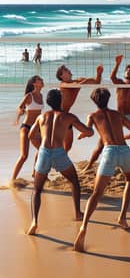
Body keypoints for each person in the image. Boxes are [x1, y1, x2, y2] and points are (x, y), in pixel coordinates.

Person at [74, 88, 130, 252]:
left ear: (94, 101)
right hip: (123, 150)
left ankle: (84, 226)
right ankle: (122, 218)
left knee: (96, 193)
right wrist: (123, 137)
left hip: (109, 152)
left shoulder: (92, 116)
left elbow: (89, 131)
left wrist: (82, 135)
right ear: (108, 99)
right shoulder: (118, 114)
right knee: (129, 180)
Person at [26, 89, 94, 235]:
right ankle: (77, 213)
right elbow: (88, 131)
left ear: (48, 102)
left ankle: (34, 222)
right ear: (61, 101)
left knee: (37, 190)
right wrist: (89, 127)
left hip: (44, 152)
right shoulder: (68, 116)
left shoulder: (41, 117)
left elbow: (31, 135)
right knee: (74, 181)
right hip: (59, 152)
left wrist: (41, 147)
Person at [82, 55, 130, 171]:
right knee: (101, 144)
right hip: (117, 116)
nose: (128, 72)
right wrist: (117, 63)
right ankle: (89, 166)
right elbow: (112, 77)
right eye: (126, 71)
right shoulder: (119, 83)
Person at [56, 64, 102, 152]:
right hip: (59, 117)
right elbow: (75, 85)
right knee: (56, 144)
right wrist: (84, 82)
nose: (68, 69)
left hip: (66, 116)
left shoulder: (77, 81)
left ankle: (59, 163)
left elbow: (96, 82)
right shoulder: (63, 84)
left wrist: (99, 73)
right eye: (66, 70)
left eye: (67, 68)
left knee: (68, 145)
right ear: (61, 76)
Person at [11, 75, 44, 184]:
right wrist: (20, 114)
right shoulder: (29, 96)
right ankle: (12, 180)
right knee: (24, 155)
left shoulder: (41, 95)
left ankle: (35, 173)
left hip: (36, 129)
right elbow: (20, 107)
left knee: (42, 151)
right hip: (26, 127)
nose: (42, 81)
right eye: (40, 80)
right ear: (34, 83)